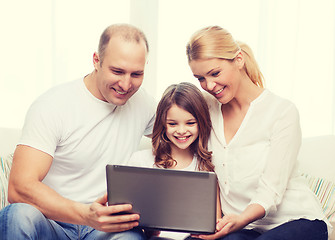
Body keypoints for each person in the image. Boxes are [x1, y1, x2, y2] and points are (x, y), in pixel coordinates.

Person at [0, 23, 156, 239]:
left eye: (136, 74)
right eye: (117, 71)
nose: (126, 84)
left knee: (131, 237)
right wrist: (85, 214)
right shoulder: (52, 105)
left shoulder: (143, 103)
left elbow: (183, 134)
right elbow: (19, 188)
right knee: (18, 214)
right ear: (96, 60)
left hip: (104, 229)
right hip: (53, 222)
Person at [185, 25, 332, 240]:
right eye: (200, 78)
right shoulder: (206, 109)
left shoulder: (282, 112)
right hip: (243, 227)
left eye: (215, 73)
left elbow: (271, 189)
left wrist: (241, 219)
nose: (209, 85)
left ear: (238, 59)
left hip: (297, 220)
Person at [127, 82, 222, 239]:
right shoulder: (141, 161)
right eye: (172, 124)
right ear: (163, 124)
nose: (182, 131)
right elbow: (129, 217)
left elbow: (215, 221)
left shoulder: (206, 165)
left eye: (190, 123)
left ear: (201, 123)